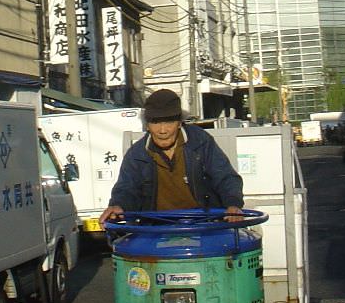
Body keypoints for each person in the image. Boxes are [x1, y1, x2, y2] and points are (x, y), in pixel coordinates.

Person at [98, 89, 244, 225]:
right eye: (155, 122)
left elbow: (225, 176)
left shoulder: (200, 141)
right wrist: (118, 205)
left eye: (169, 121)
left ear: (180, 122)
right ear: (147, 125)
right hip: (156, 229)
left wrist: (233, 204)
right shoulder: (137, 154)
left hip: (204, 224)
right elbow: (126, 188)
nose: (162, 130)